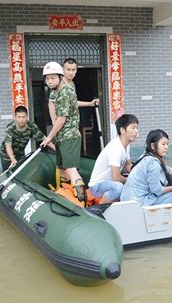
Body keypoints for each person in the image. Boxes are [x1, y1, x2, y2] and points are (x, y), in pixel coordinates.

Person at [40, 59, 98, 205]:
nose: (50, 81)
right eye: (47, 78)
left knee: (71, 169)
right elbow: (55, 109)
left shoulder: (65, 91)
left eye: (53, 78)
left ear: (60, 77)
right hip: (62, 136)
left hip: (69, 136)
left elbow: (61, 120)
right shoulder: (58, 91)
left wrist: (49, 137)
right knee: (62, 168)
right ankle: (66, 195)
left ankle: (82, 202)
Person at [121, 129, 172, 206]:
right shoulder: (153, 163)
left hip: (126, 199)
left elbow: (166, 169)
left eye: (167, 144)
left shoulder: (146, 156)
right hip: (137, 203)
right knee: (171, 196)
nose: (166, 147)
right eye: (163, 144)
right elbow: (156, 190)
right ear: (152, 146)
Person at [88, 114, 139, 203]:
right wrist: (132, 181)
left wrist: (140, 176)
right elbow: (116, 177)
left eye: (137, 128)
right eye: (133, 128)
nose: (136, 131)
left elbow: (129, 166)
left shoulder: (126, 146)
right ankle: (100, 210)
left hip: (110, 183)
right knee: (118, 187)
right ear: (122, 130)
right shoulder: (115, 147)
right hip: (97, 186)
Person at [0, 105, 55, 172]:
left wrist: (56, 149)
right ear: (15, 117)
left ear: (27, 116)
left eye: (23, 117)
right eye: (19, 117)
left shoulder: (31, 126)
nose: (21, 120)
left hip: (20, 154)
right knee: (7, 174)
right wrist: (12, 159)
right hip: (7, 155)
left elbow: (44, 139)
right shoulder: (10, 127)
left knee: (19, 173)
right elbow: (8, 145)